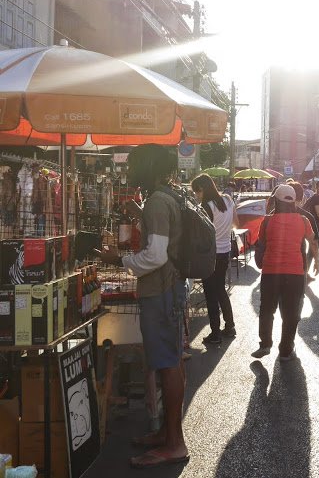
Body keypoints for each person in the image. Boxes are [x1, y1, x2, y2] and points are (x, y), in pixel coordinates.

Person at [96, 144, 188, 468]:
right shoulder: (167, 197)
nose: (129, 170)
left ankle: (174, 443)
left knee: (167, 363)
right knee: (171, 362)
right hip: (168, 290)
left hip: (161, 292)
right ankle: (167, 434)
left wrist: (117, 259)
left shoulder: (158, 202)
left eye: (134, 164)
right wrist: (139, 214)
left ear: (147, 166)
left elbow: (156, 255)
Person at [252, 184, 319, 360]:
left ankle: (265, 344)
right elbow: (313, 241)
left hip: (270, 272)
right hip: (295, 273)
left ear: (276, 200)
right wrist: (317, 261)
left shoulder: (267, 221)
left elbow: (262, 242)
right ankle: (286, 350)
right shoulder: (303, 220)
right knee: (291, 313)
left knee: (267, 309)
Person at [191, 174, 237, 345]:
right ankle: (230, 326)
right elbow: (235, 222)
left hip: (210, 254)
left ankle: (215, 333)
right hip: (225, 251)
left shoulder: (206, 206)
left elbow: (203, 234)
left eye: (197, 192)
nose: (197, 195)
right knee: (220, 289)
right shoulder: (228, 200)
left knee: (211, 293)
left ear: (203, 189)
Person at [286, 180, 319, 280]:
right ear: (302, 198)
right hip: (298, 265)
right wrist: (317, 261)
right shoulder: (307, 216)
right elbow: (313, 242)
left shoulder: (272, 214)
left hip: (274, 266)